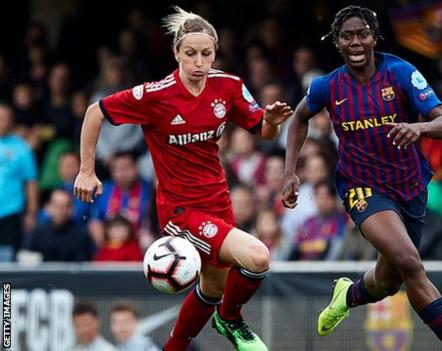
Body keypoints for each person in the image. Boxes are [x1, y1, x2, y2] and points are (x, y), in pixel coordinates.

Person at [74, 7, 292, 351]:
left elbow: (262, 131)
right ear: (176, 53)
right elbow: (94, 112)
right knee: (258, 257)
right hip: (181, 211)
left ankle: (173, 347)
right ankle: (230, 319)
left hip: (219, 202)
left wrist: (273, 121)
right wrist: (87, 171)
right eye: (190, 54)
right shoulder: (155, 95)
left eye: (206, 54)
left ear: (215, 54)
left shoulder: (229, 86)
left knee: (214, 287)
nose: (199, 62)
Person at [282, 6, 442, 351]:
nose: (355, 42)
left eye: (362, 34)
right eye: (347, 36)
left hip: (410, 187)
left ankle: (348, 295)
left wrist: (419, 126)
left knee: (387, 281)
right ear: (337, 43)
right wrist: (290, 172)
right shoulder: (327, 85)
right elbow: (299, 117)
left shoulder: (400, 73)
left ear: (374, 37)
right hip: (362, 188)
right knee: (412, 263)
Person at [0, 103, 38, 261]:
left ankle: (5, 287)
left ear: (11, 121)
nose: (2, 122)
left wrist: (31, 213)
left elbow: (31, 182)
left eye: (5, 118)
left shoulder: (22, 148)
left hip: (11, 212)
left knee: (5, 263)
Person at [28, 189, 94, 262]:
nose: (59, 210)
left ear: (70, 209)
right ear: (48, 207)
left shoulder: (81, 235)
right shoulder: (38, 232)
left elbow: (84, 266)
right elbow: (26, 256)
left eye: (63, 206)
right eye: (56, 205)